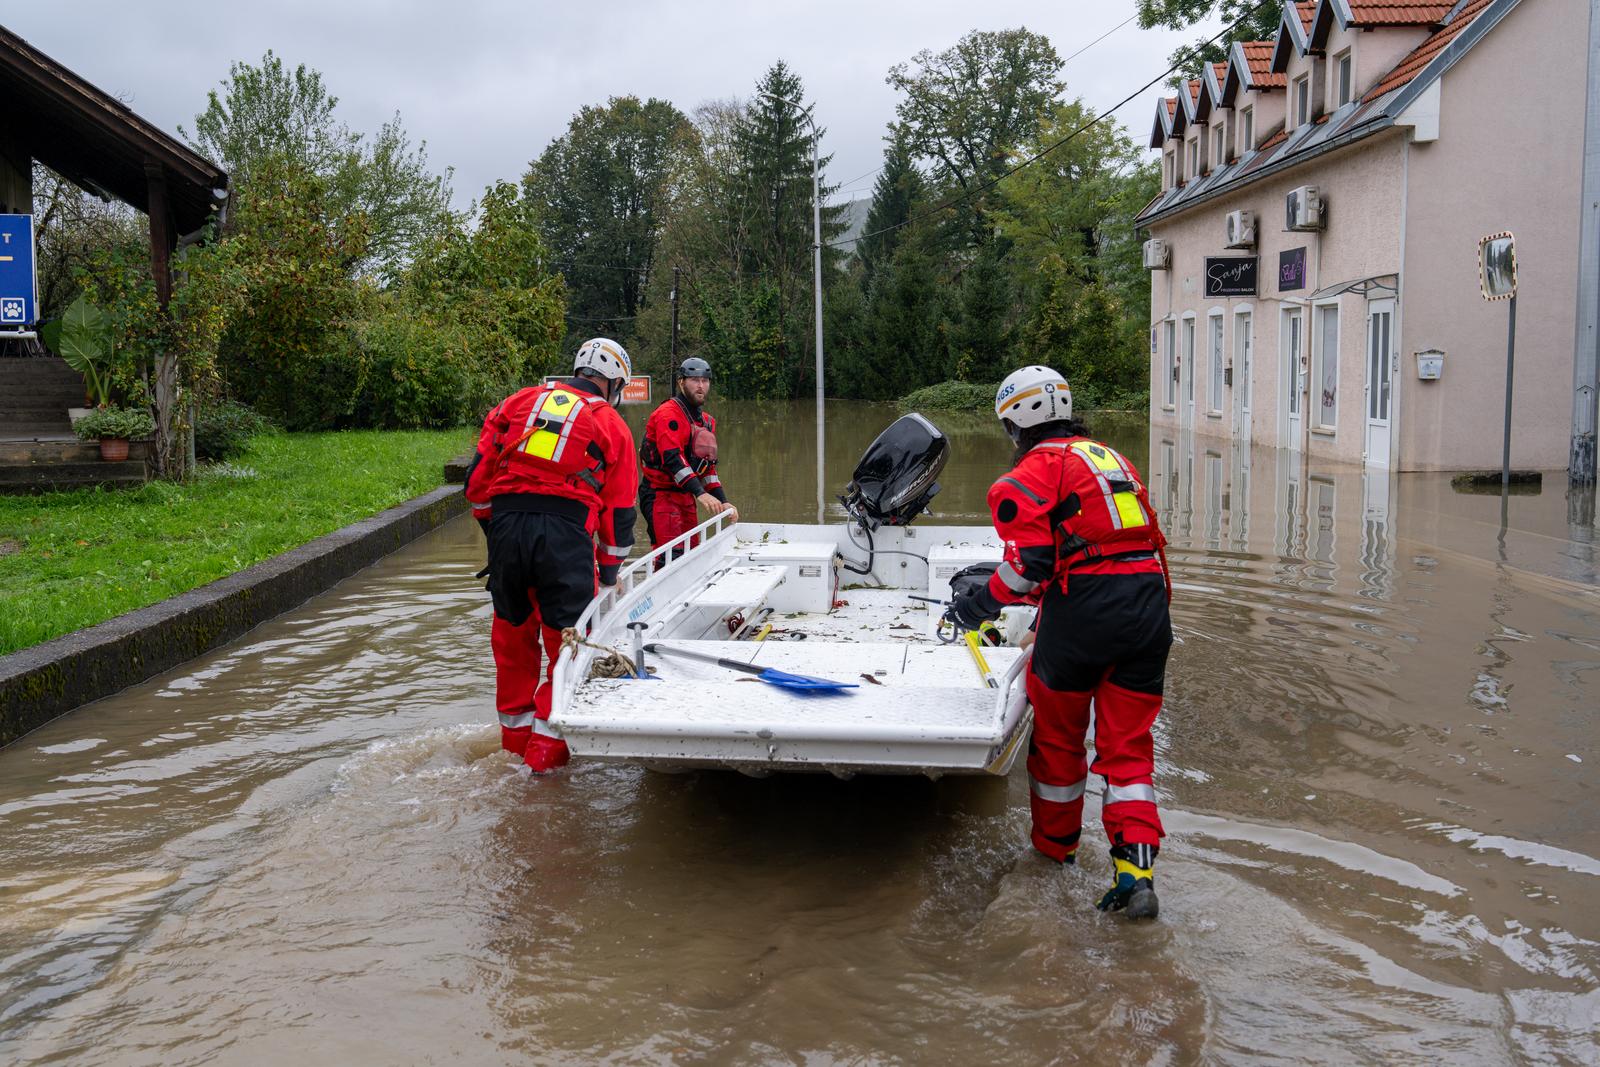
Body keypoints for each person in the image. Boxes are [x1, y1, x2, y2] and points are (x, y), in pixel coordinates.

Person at [948, 365, 1173, 920]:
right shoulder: (1110, 458)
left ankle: (1053, 859)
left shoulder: (1030, 472)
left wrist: (983, 602)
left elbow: (1031, 567)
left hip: (1086, 615)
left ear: (1015, 423)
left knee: (1057, 745)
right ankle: (1136, 872)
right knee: (1128, 754)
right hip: (1149, 609)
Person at [464, 338, 639, 772]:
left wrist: (496, 529)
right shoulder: (611, 424)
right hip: (564, 537)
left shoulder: (517, 403)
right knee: (568, 650)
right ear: (614, 382)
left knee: (512, 642)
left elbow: (476, 483)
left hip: (506, 530)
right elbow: (619, 511)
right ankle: (542, 769)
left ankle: (512, 752)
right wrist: (609, 573)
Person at [639, 357, 736, 557]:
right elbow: (673, 460)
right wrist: (701, 493)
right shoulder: (667, 414)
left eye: (705, 380)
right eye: (694, 380)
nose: (701, 386)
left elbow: (707, 470)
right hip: (661, 495)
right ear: (681, 382)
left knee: (691, 554)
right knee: (669, 556)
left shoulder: (707, 422)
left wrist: (722, 500)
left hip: (686, 496)